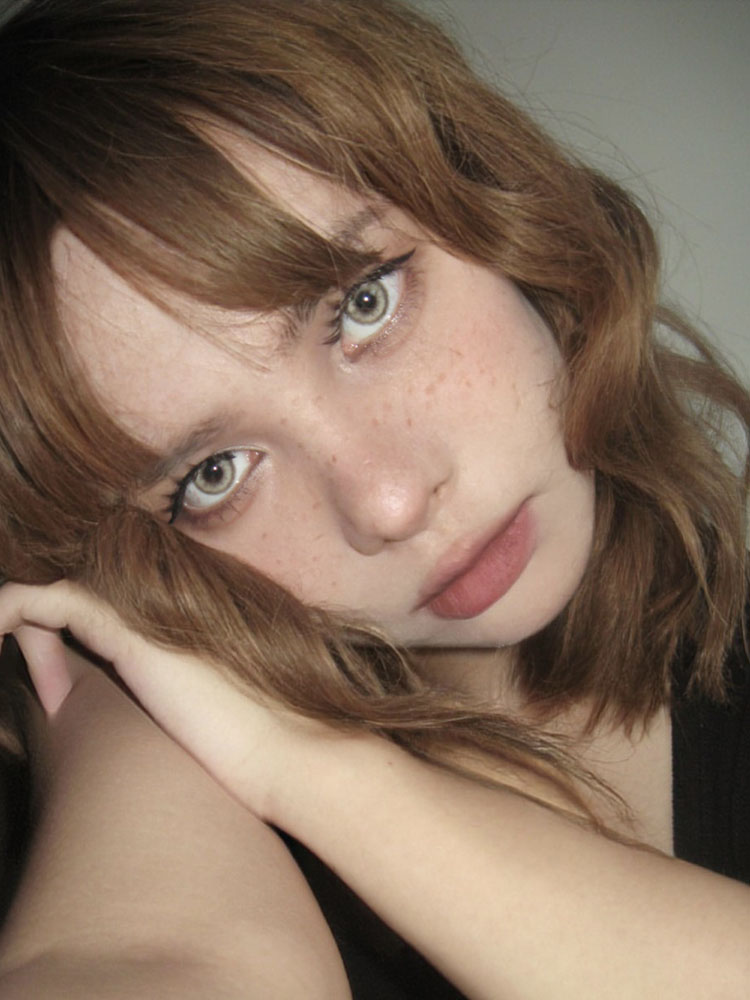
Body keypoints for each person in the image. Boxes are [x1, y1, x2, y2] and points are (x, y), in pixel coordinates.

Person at [0, 0, 748, 996]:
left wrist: (324, 778)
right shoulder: (175, 821)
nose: (391, 502)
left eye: (366, 303)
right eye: (214, 475)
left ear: (487, 196)